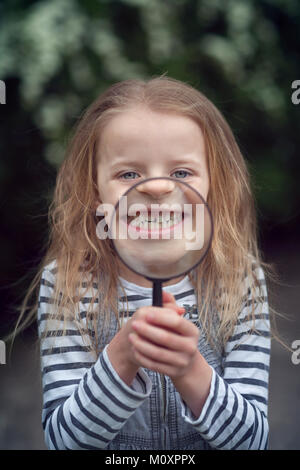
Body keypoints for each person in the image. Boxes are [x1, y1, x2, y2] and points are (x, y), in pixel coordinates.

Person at [21, 76, 271, 450]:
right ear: (94, 191)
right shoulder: (66, 284)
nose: (156, 188)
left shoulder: (240, 278)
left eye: (181, 173)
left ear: (214, 187)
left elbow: (253, 442)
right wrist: (121, 358)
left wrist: (191, 371)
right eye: (129, 174)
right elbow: (63, 441)